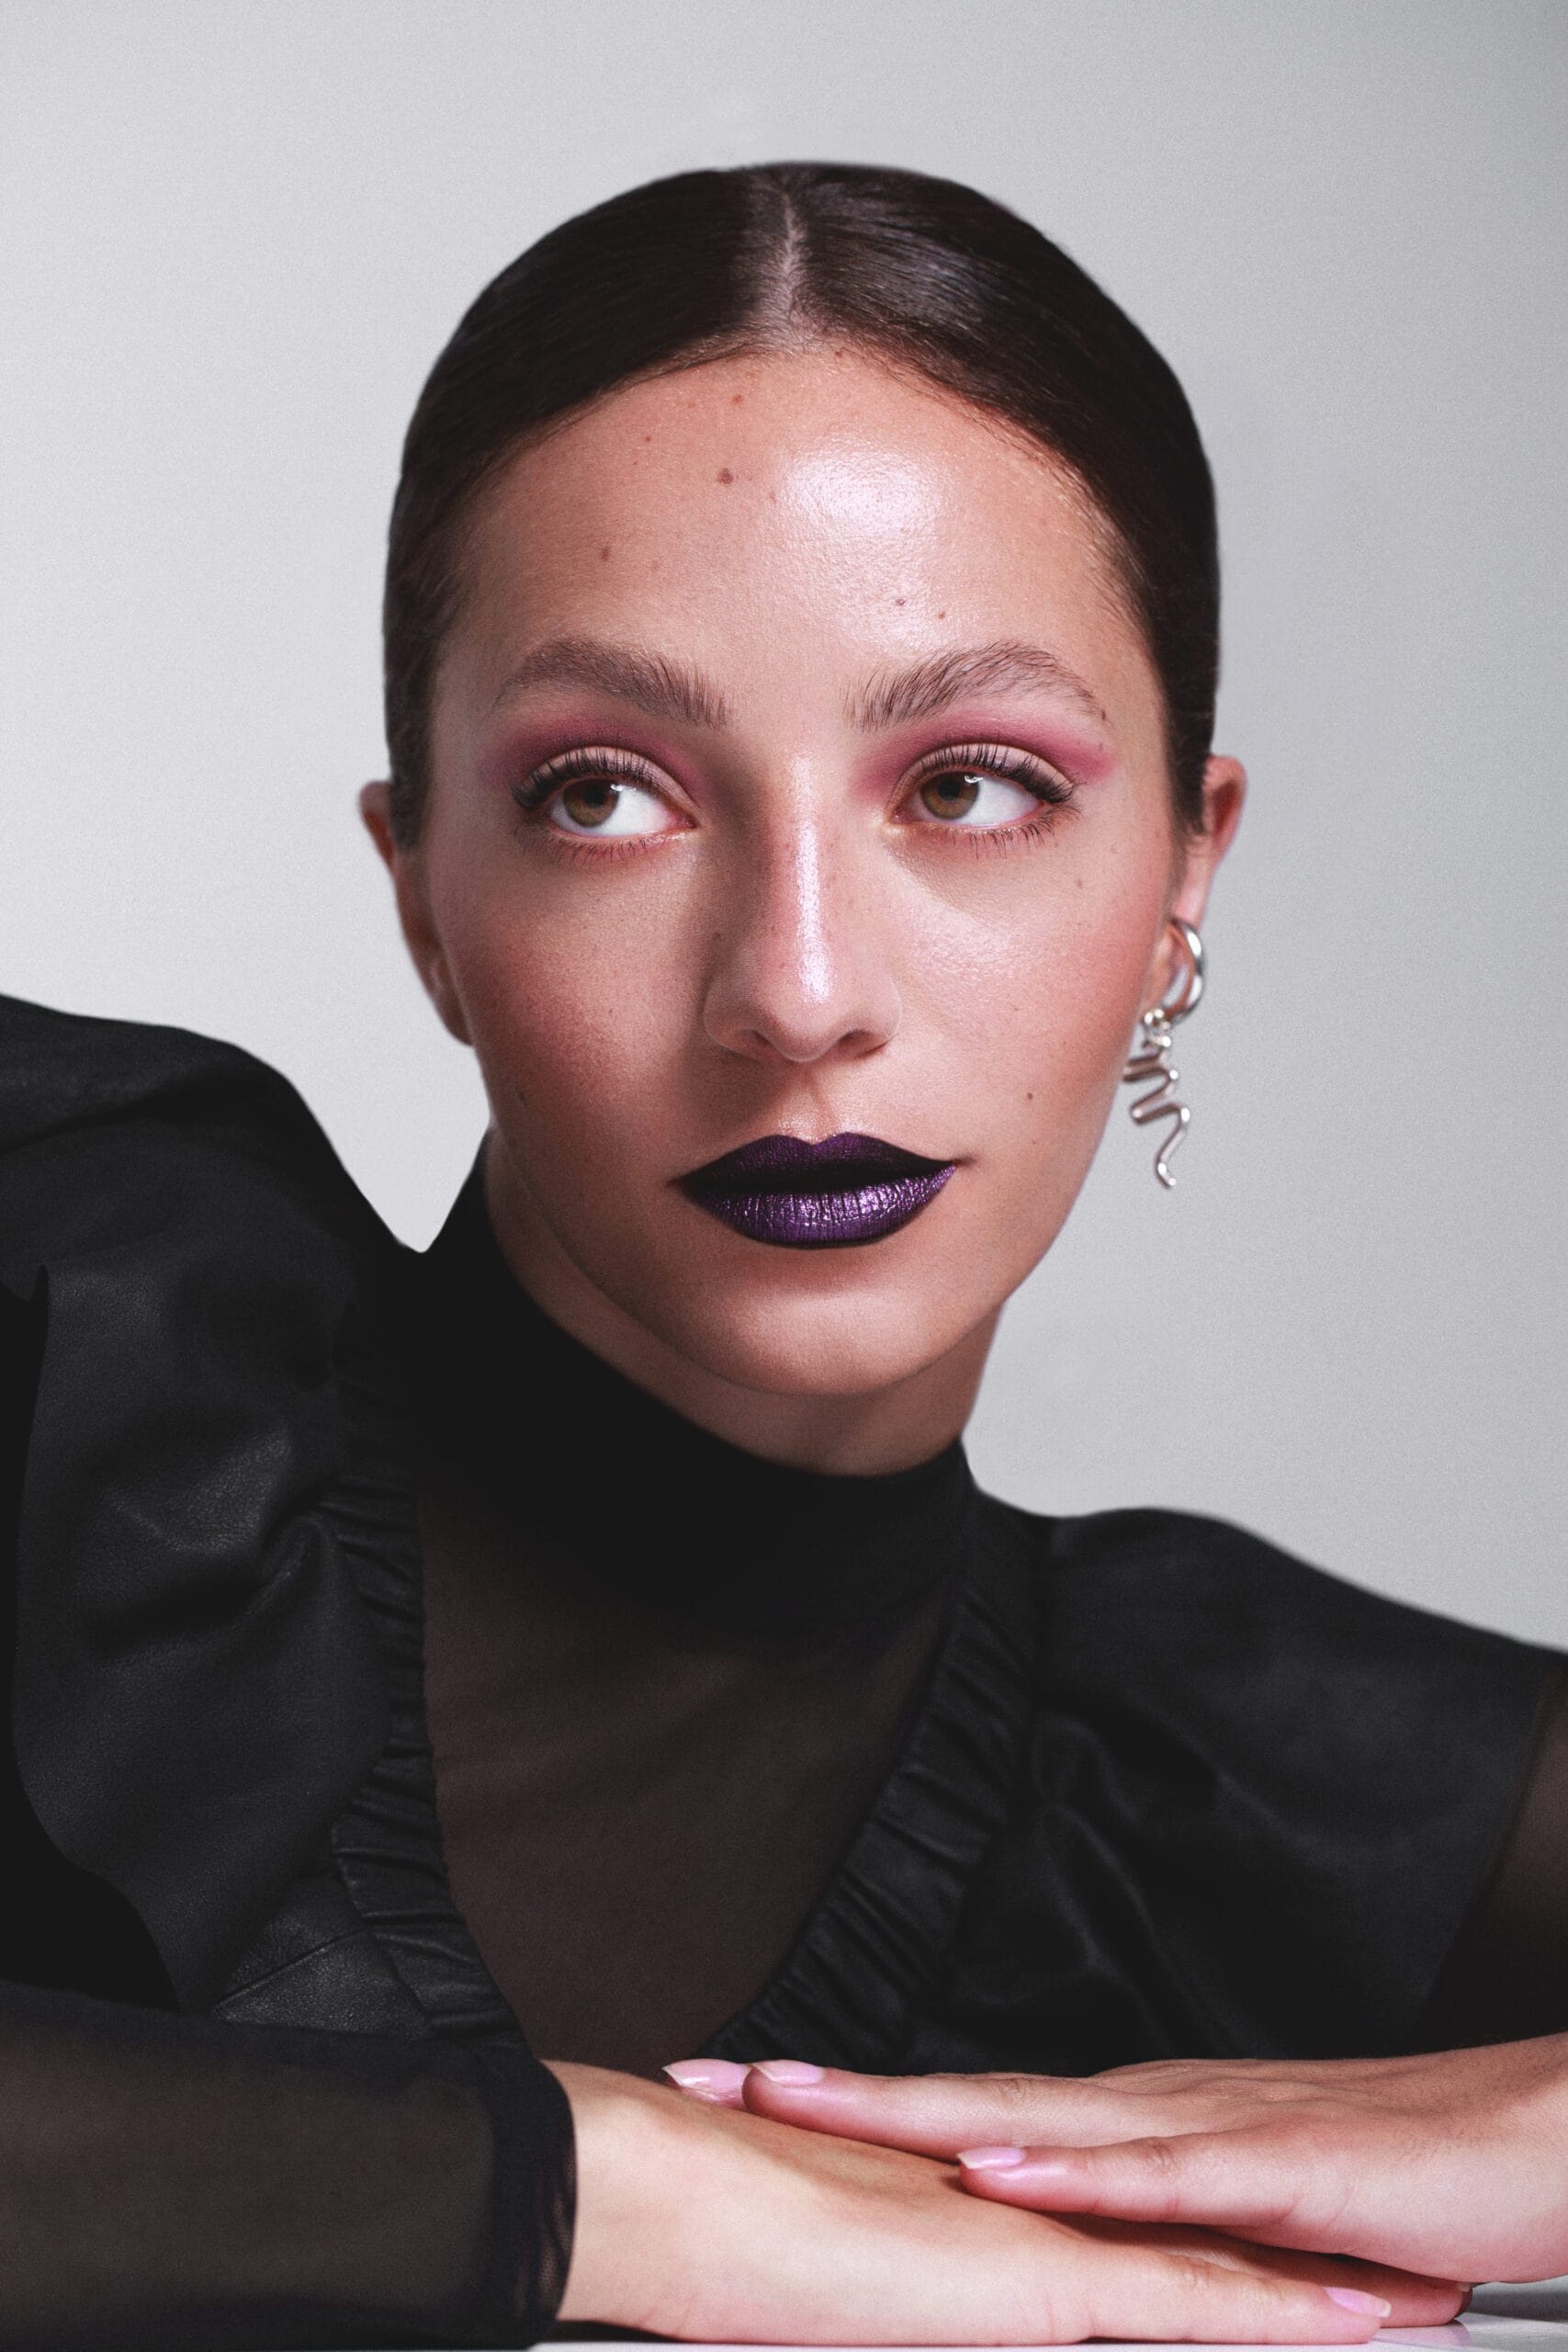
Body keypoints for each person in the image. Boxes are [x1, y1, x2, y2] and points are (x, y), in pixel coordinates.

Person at [2, 161, 1564, 2349]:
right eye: (603, 793)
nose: (795, 992)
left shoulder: (1243, 1770)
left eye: (971, 784)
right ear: (421, 891)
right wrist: (589, 2186)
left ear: (1180, 873)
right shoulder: (75, 1328)